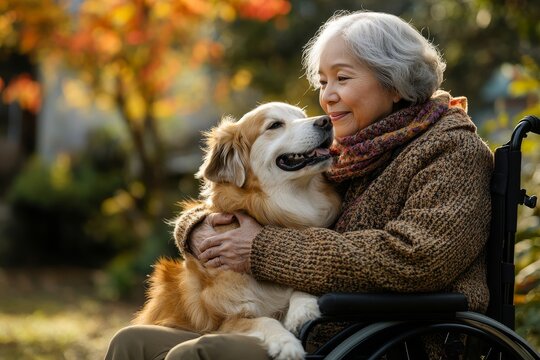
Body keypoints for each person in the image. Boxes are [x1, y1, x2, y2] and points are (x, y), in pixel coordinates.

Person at [105, 10, 493, 359]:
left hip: (384, 335)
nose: (327, 97)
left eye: (342, 78)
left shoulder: (451, 151)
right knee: (130, 342)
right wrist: (197, 228)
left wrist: (261, 247)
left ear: (395, 84)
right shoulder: (353, 148)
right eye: (323, 82)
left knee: (198, 355)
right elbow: (253, 195)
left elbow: (415, 260)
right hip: (319, 323)